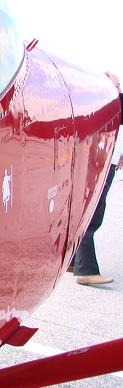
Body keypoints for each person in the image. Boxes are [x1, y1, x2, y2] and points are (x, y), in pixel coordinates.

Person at [72, 71, 123, 285]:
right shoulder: (103, 104)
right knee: (92, 214)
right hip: (98, 166)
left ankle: (74, 260)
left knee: (90, 212)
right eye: (114, 87)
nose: (117, 91)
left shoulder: (107, 105)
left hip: (106, 163)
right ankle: (86, 270)